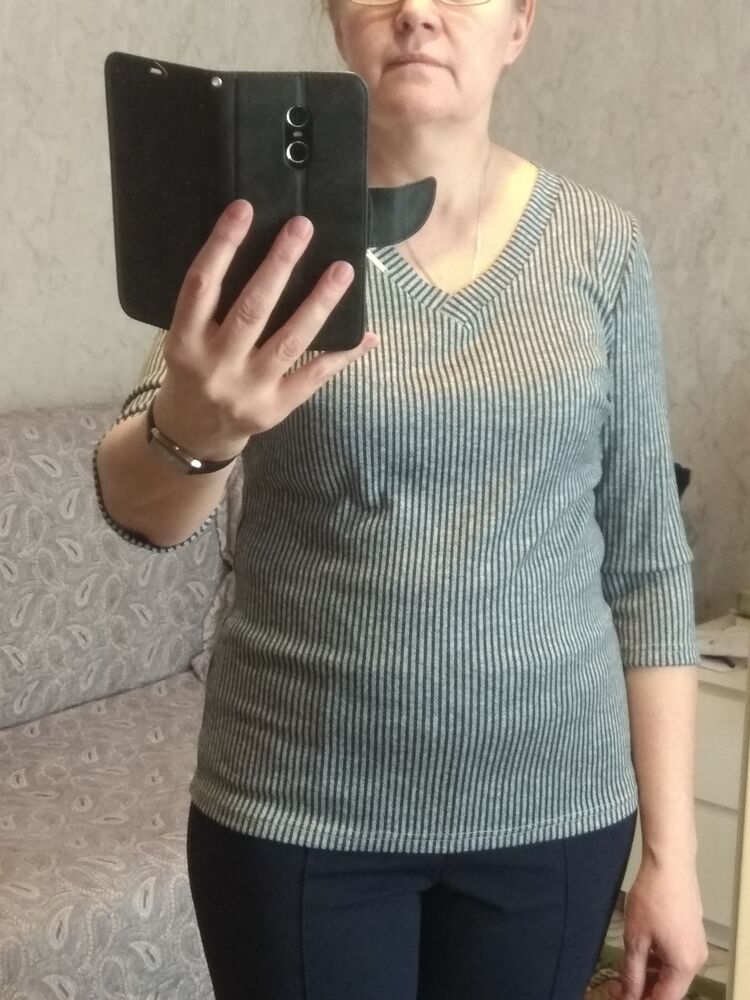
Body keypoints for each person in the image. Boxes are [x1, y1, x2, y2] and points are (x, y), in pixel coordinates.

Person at [94, 0, 711, 997]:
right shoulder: (268, 237)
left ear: (518, 25)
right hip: (296, 817)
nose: (418, 11)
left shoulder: (601, 248)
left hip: (555, 817)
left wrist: (675, 862)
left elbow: (647, 566)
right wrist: (197, 428)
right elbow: (139, 510)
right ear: (338, 19)